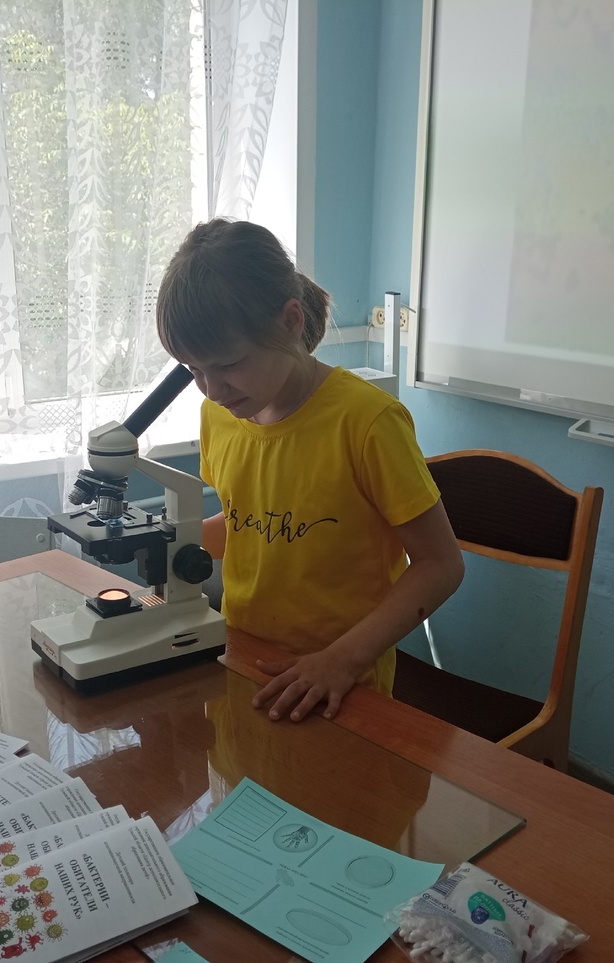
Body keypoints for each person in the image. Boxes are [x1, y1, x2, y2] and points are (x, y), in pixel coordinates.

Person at [155, 218, 464, 723]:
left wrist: (343, 660)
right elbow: (252, 521)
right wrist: (167, 542)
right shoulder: (221, 414)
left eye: (228, 365)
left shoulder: (367, 422)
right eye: (194, 371)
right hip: (245, 662)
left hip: (339, 687)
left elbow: (441, 565)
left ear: (291, 321)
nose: (211, 389)